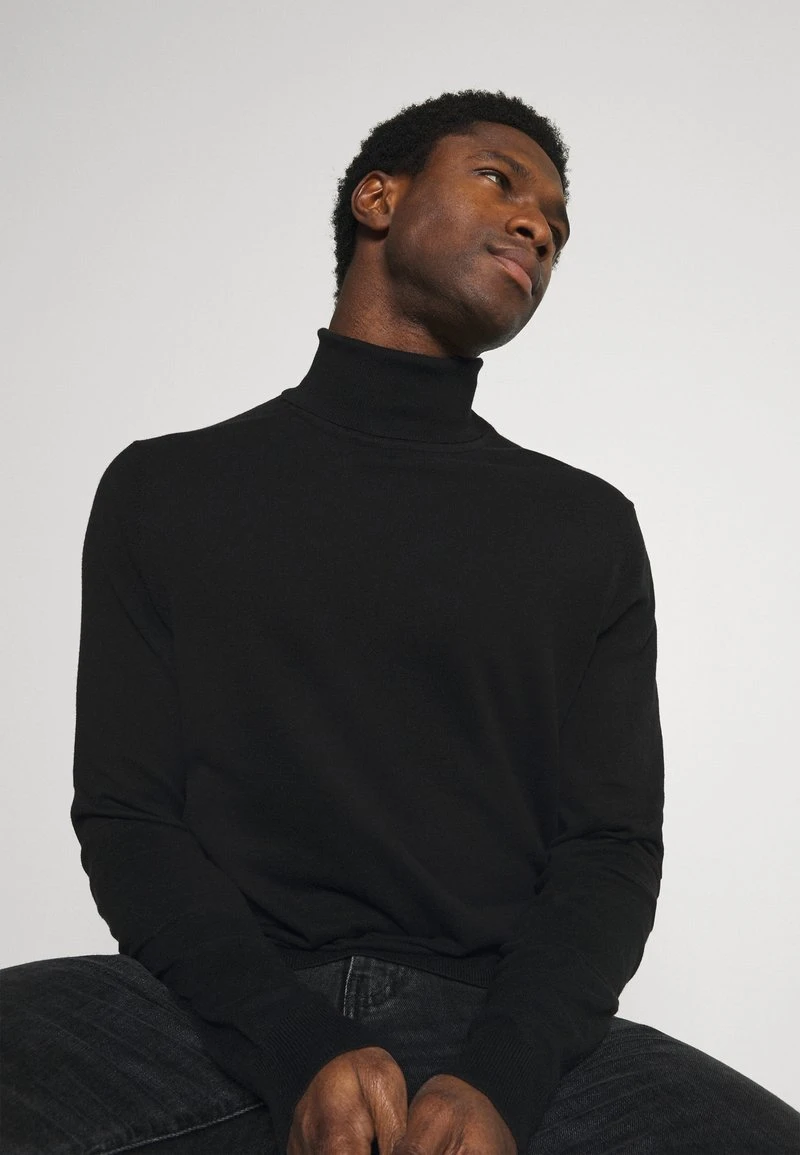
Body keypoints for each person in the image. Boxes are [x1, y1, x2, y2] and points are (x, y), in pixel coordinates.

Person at [2, 89, 798, 1155]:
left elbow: (609, 849)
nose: (537, 227)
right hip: (211, 1015)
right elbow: (128, 816)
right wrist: (294, 1048)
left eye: (557, 229)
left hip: (488, 1029)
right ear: (377, 198)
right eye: (499, 180)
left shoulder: (585, 527)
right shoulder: (165, 489)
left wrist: (500, 1084)